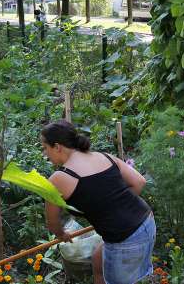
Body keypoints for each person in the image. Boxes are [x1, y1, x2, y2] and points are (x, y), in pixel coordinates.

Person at [41, 120, 155, 284]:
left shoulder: (58, 179)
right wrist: (115, 207)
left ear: (57, 146)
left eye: (45, 148)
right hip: (147, 222)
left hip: (125, 240)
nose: (45, 153)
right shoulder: (103, 157)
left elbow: (52, 224)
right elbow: (139, 182)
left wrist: (61, 235)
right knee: (98, 259)